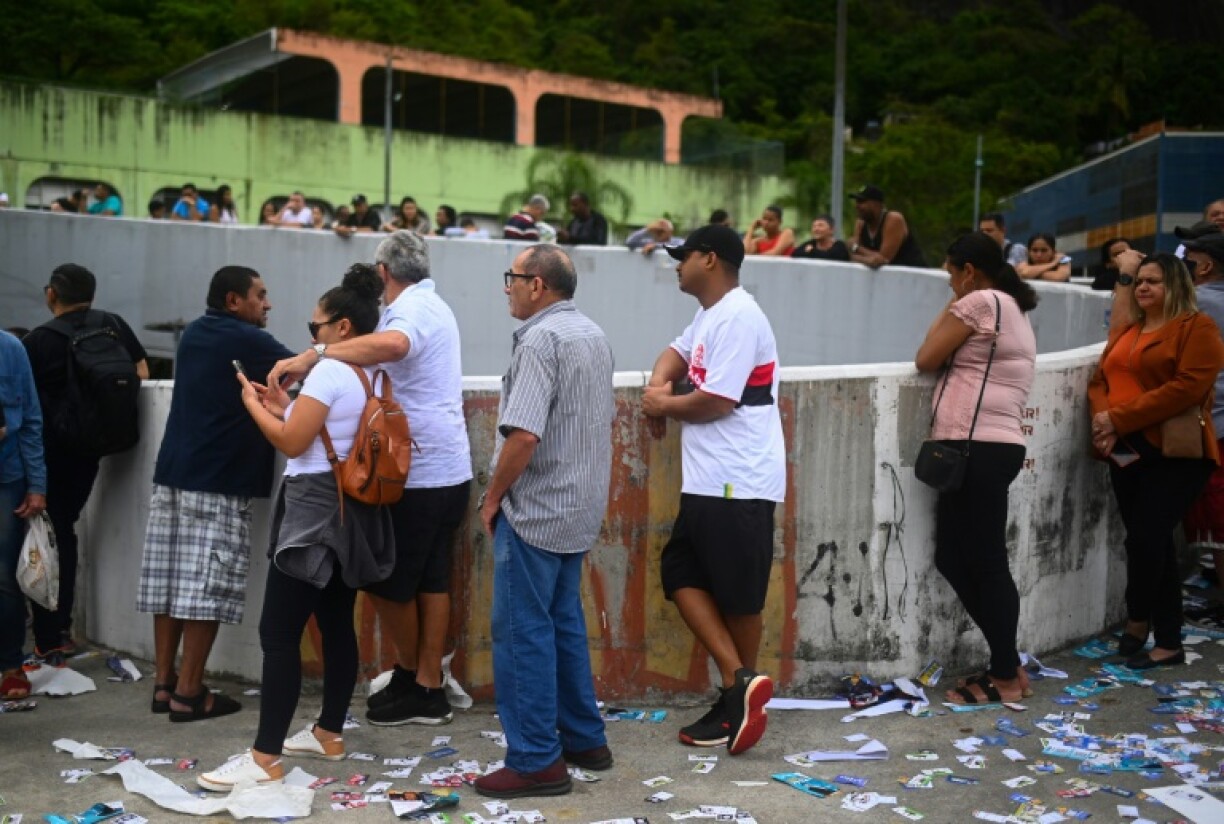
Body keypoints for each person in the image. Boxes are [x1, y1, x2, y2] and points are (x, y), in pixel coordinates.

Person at [198, 265, 394, 791]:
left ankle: (264, 758)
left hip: (314, 511)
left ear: (344, 327)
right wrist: (282, 406)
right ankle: (329, 731)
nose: (312, 338)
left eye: (317, 328)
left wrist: (253, 408)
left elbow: (289, 443)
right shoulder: (368, 373)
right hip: (350, 509)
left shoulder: (330, 372)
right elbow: (316, 431)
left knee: (278, 633)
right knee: (334, 622)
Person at [267, 231, 472, 728]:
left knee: (387, 582)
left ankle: (418, 678)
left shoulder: (412, 312)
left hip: (414, 473)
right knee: (430, 580)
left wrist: (315, 355)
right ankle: (426, 684)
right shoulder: (436, 304)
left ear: (384, 274)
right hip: (446, 468)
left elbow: (397, 345)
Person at [471, 244, 614, 799]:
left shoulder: (540, 339)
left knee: (521, 634)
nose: (507, 287)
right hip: (578, 506)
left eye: (513, 278)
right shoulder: (591, 335)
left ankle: (535, 759)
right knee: (562, 623)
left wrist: (492, 498)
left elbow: (523, 435)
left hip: (535, 509)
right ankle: (584, 739)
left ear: (538, 285)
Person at [641, 224, 784, 755]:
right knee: (681, 573)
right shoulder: (710, 315)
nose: (677, 264)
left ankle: (736, 701)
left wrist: (663, 406)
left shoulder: (741, 316)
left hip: (738, 479)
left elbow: (718, 399)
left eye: (684, 256)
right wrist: (659, 384)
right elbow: (674, 355)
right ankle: (738, 684)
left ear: (711, 259)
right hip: (710, 481)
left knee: (738, 599)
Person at [136, 266, 295, 721]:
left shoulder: (194, 334)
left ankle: (164, 685)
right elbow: (305, 367)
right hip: (219, 481)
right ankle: (190, 694)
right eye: (260, 296)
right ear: (233, 301)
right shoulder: (248, 341)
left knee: (168, 584)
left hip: (173, 472)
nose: (268, 304)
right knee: (207, 587)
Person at [913, 232, 1038, 705]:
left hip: (977, 447)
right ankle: (1007, 662)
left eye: (951, 274)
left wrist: (954, 304)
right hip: (988, 447)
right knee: (955, 557)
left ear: (968, 271)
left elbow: (926, 356)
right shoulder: (1012, 306)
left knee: (985, 561)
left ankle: (1005, 675)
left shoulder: (983, 301)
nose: (950, 285)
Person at [1088, 252, 1224, 669]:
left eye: (1154, 281)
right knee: (1154, 542)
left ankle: (1143, 621)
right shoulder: (1130, 330)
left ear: (1177, 286)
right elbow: (1100, 379)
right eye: (1139, 280)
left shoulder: (1195, 328)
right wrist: (1103, 421)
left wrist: (1119, 417)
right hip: (1126, 450)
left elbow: (1187, 388)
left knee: (1145, 539)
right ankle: (1160, 635)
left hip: (1175, 453)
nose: (1143, 287)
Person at [22, 264, 149, 665]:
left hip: (49, 451)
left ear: (51, 294)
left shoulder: (39, 340)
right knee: (65, 529)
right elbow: (141, 372)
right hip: (91, 449)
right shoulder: (112, 324)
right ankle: (59, 630)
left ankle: (47, 633)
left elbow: (25, 402)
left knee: (44, 538)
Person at [0, 331, 46, 700]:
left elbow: (30, 419)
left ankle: (10, 664)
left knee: (5, 578)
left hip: (8, 477)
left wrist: (37, 485)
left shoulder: (11, 349)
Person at [1181, 233, 1224, 619]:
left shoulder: (1199, 303)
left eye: (1188, 259)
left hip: (1216, 423)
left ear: (1206, 266)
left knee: (1217, 515)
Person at [848, 185, 926, 269]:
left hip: (913, 276)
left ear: (876, 204)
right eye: (856, 202)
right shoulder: (861, 223)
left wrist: (856, 248)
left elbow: (883, 259)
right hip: (888, 279)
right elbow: (853, 256)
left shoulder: (893, 219)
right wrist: (865, 258)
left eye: (861, 201)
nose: (857, 206)